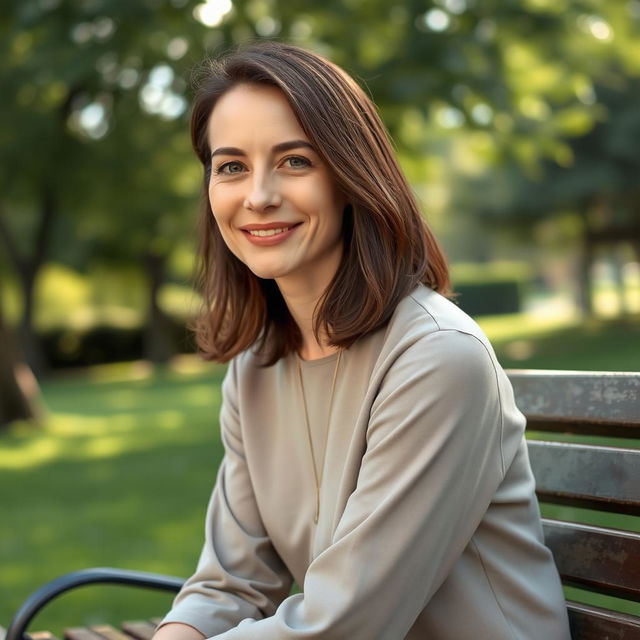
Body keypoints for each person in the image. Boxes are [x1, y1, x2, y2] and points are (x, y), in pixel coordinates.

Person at [152, 41, 571, 639]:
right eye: (231, 166)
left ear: (350, 176)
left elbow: (346, 623)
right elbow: (231, 582)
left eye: (295, 161)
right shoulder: (256, 369)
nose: (259, 195)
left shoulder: (436, 358)